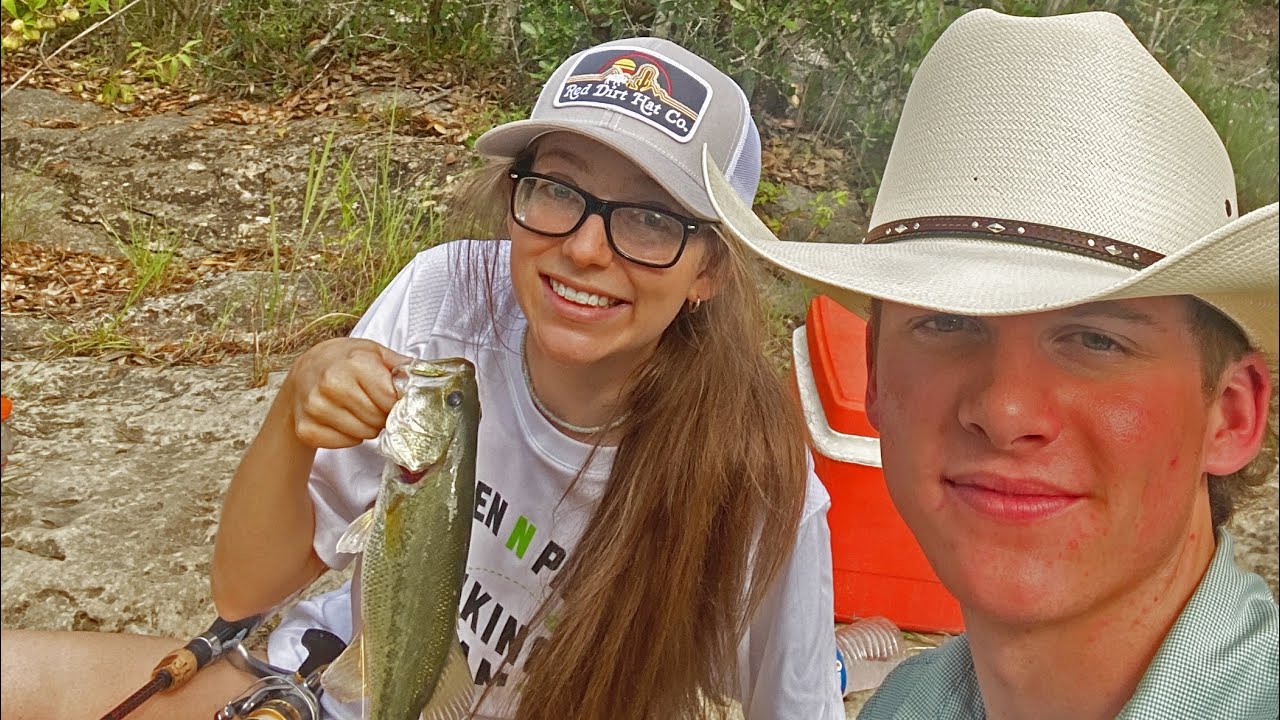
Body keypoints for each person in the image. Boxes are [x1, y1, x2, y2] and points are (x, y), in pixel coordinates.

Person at [0, 37, 843, 719]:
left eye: (652, 219)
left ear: (710, 271)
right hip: (325, 691)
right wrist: (294, 413)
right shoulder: (447, 301)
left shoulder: (759, 489)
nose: (586, 247)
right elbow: (246, 589)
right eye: (557, 190)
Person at [701, 9, 1279, 720]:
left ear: (1232, 414)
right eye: (946, 322)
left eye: (1095, 340)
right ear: (876, 378)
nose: (1005, 411)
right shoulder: (904, 706)